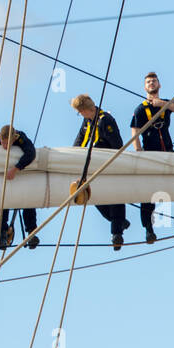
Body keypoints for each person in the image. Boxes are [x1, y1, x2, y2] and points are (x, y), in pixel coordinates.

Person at [131, 72, 174, 243]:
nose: (151, 84)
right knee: (148, 194)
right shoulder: (141, 109)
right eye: (148, 82)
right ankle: (149, 229)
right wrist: (139, 151)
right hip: (152, 155)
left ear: (159, 85)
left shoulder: (165, 103)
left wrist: (163, 105)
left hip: (168, 154)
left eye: (154, 81)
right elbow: (134, 131)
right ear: (145, 87)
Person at [70, 93, 129, 250]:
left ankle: (117, 233)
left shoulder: (106, 120)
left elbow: (116, 144)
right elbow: (80, 141)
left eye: (80, 111)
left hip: (109, 163)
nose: (80, 114)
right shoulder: (87, 121)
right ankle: (119, 222)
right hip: (94, 164)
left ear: (86, 109)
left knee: (116, 198)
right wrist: (72, 157)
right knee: (93, 196)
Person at [0, 124, 39, 250]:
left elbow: (31, 153)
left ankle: (31, 232)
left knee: (28, 201)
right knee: (1, 203)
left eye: (7, 144)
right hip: (3, 180)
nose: (4, 147)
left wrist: (16, 168)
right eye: (2, 143)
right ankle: (1, 234)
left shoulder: (21, 138)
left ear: (13, 139)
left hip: (21, 177)